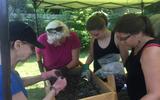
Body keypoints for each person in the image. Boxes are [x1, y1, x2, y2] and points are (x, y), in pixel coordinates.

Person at [0, 21, 67, 100]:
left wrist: (47, 75)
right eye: (32, 47)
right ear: (18, 45)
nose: (32, 52)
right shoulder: (4, 76)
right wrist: (55, 90)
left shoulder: (7, 72)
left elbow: (20, 83)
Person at [114, 13, 160, 100]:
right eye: (118, 38)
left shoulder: (151, 51)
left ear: (139, 33)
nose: (120, 43)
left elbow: (156, 94)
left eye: (123, 38)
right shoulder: (136, 46)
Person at [81, 12, 128, 92]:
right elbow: (91, 56)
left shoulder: (116, 38)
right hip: (99, 75)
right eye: (91, 35)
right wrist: (85, 66)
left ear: (104, 27)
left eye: (96, 34)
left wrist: (129, 75)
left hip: (116, 77)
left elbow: (126, 59)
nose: (94, 37)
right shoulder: (94, 40)